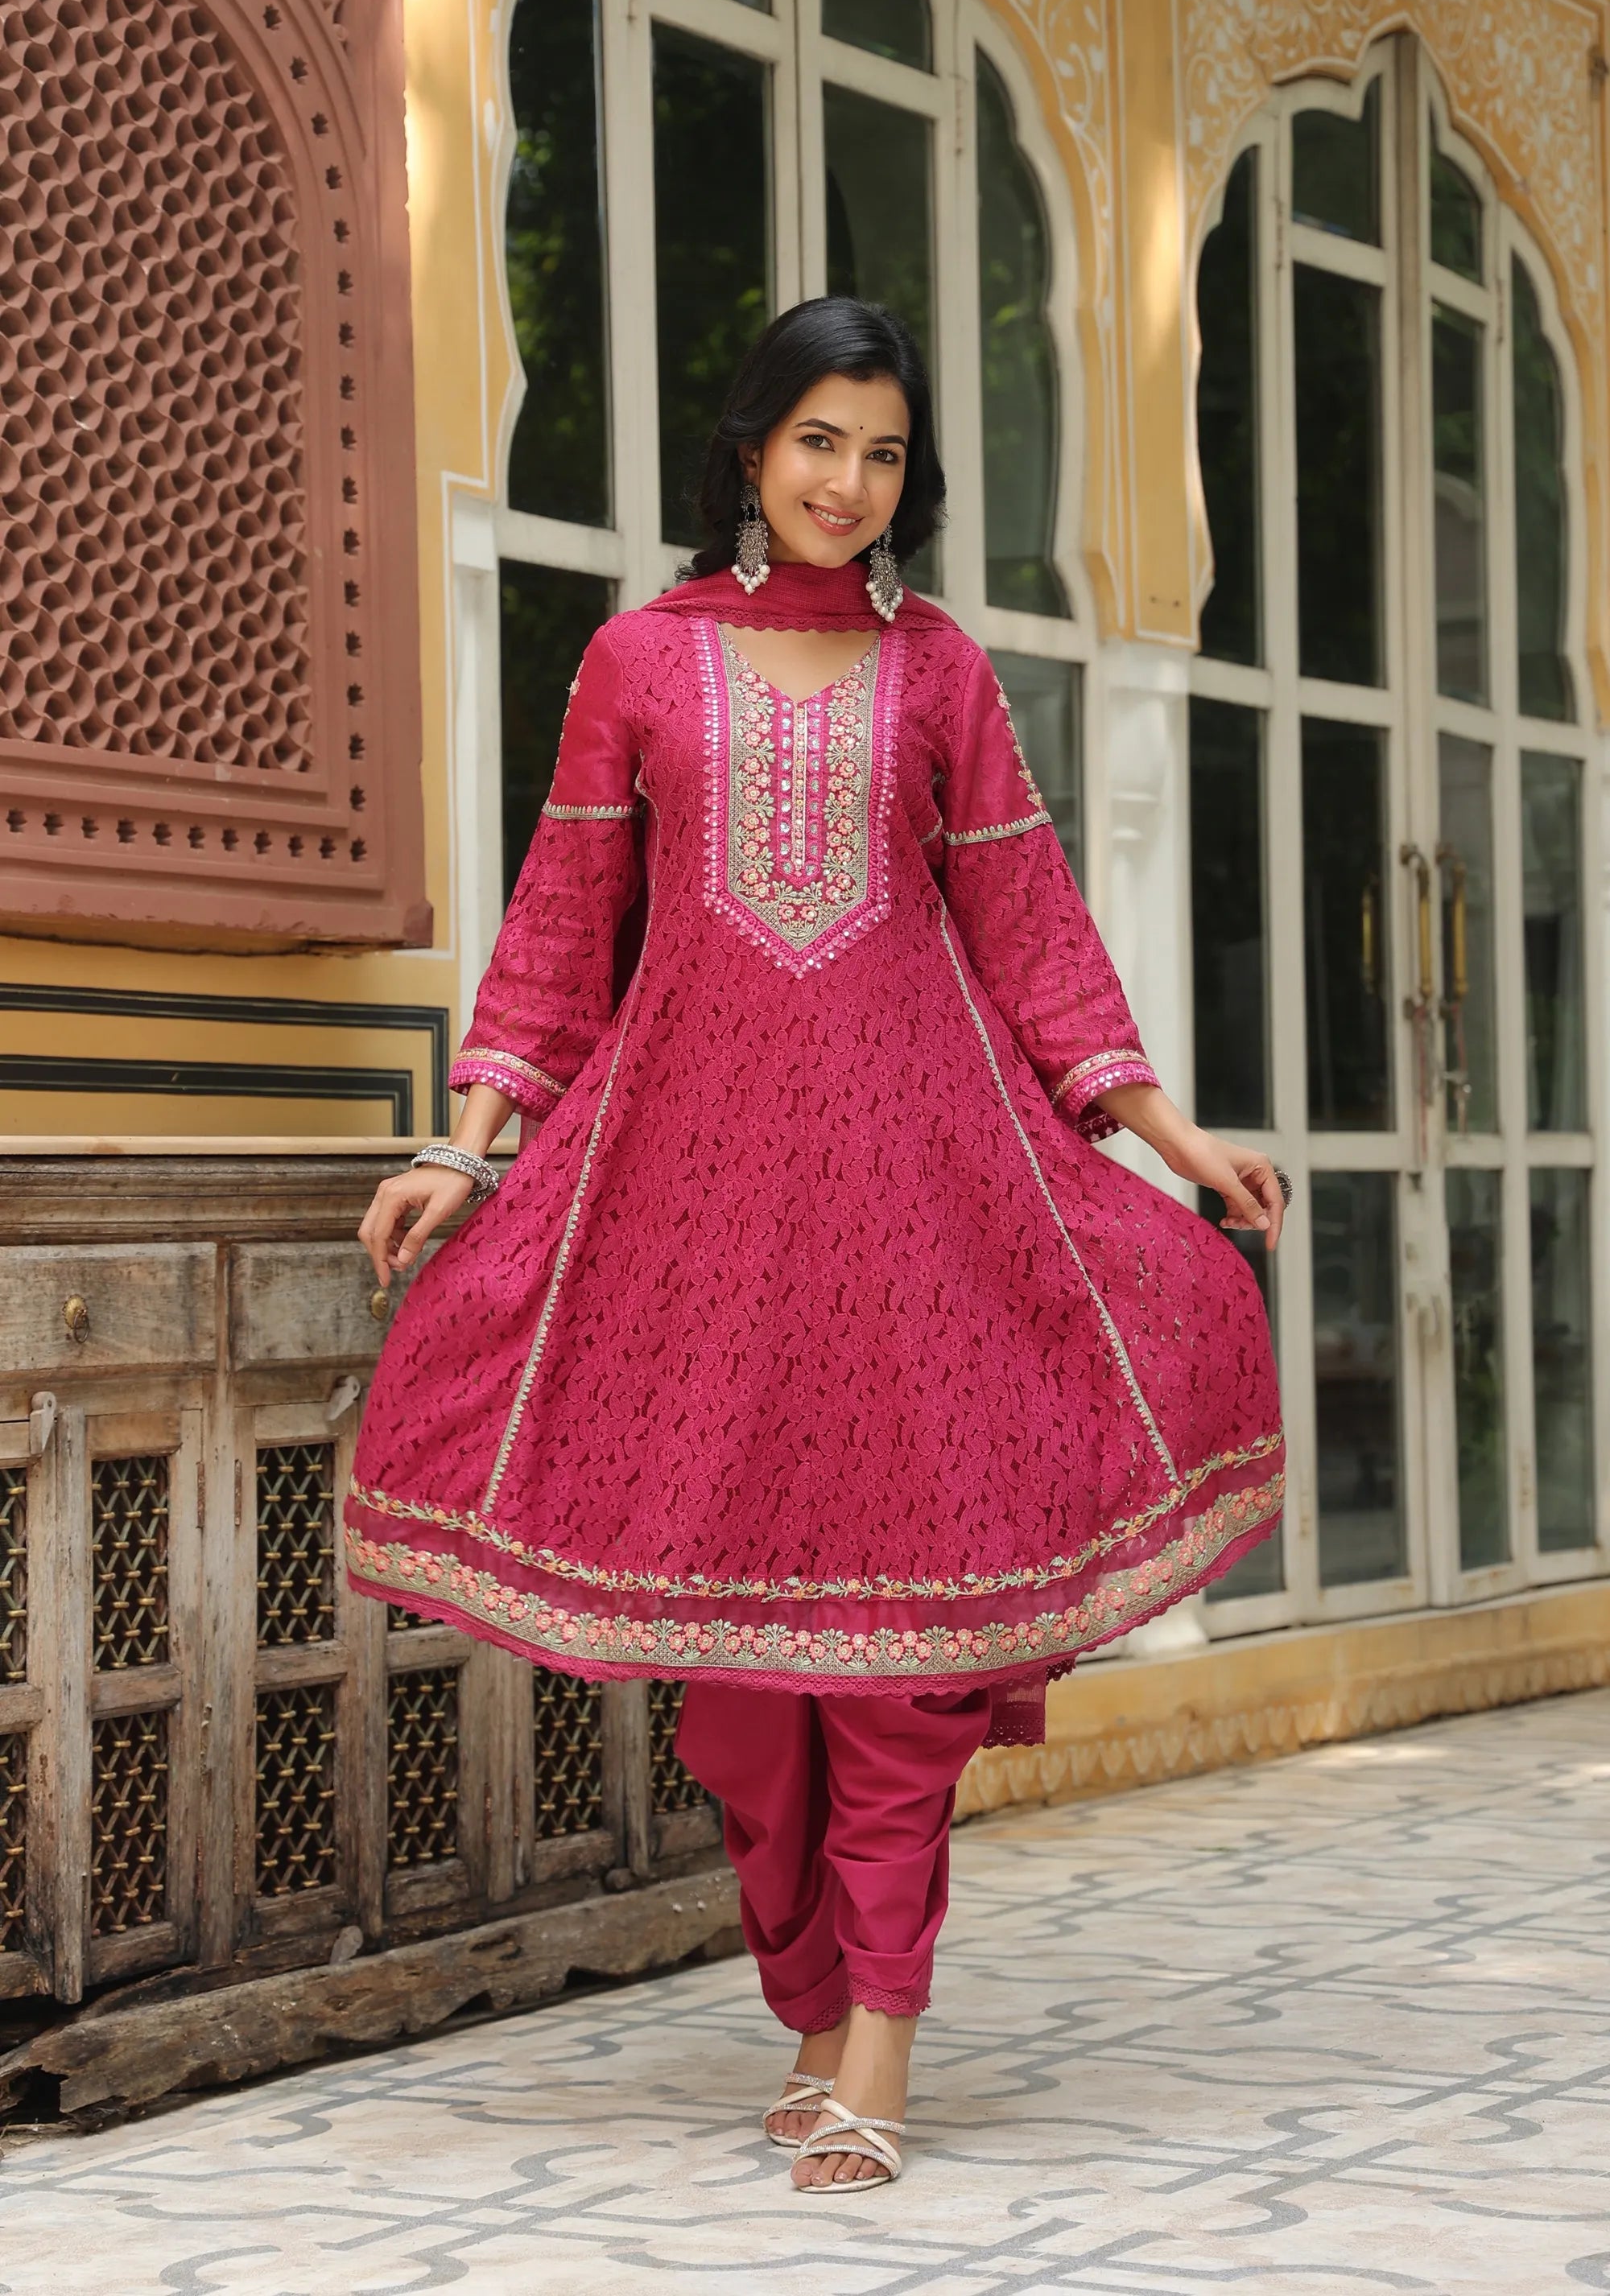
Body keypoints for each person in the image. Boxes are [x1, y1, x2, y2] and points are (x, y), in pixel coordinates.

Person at [352, 296, 1285, 2193]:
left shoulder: (938, 673)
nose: (847, 485)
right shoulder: (634, 660)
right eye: (816, 445)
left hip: (917, 1198)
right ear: (751, 449)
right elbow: (560, 918)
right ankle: (802, 1994)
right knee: (743, 1694)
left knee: (898, 1667)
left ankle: (882, 2037)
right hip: (695, 1202)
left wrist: (1168, 1136)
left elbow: (1028, 932)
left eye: (880, 455)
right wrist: (464, 1149)